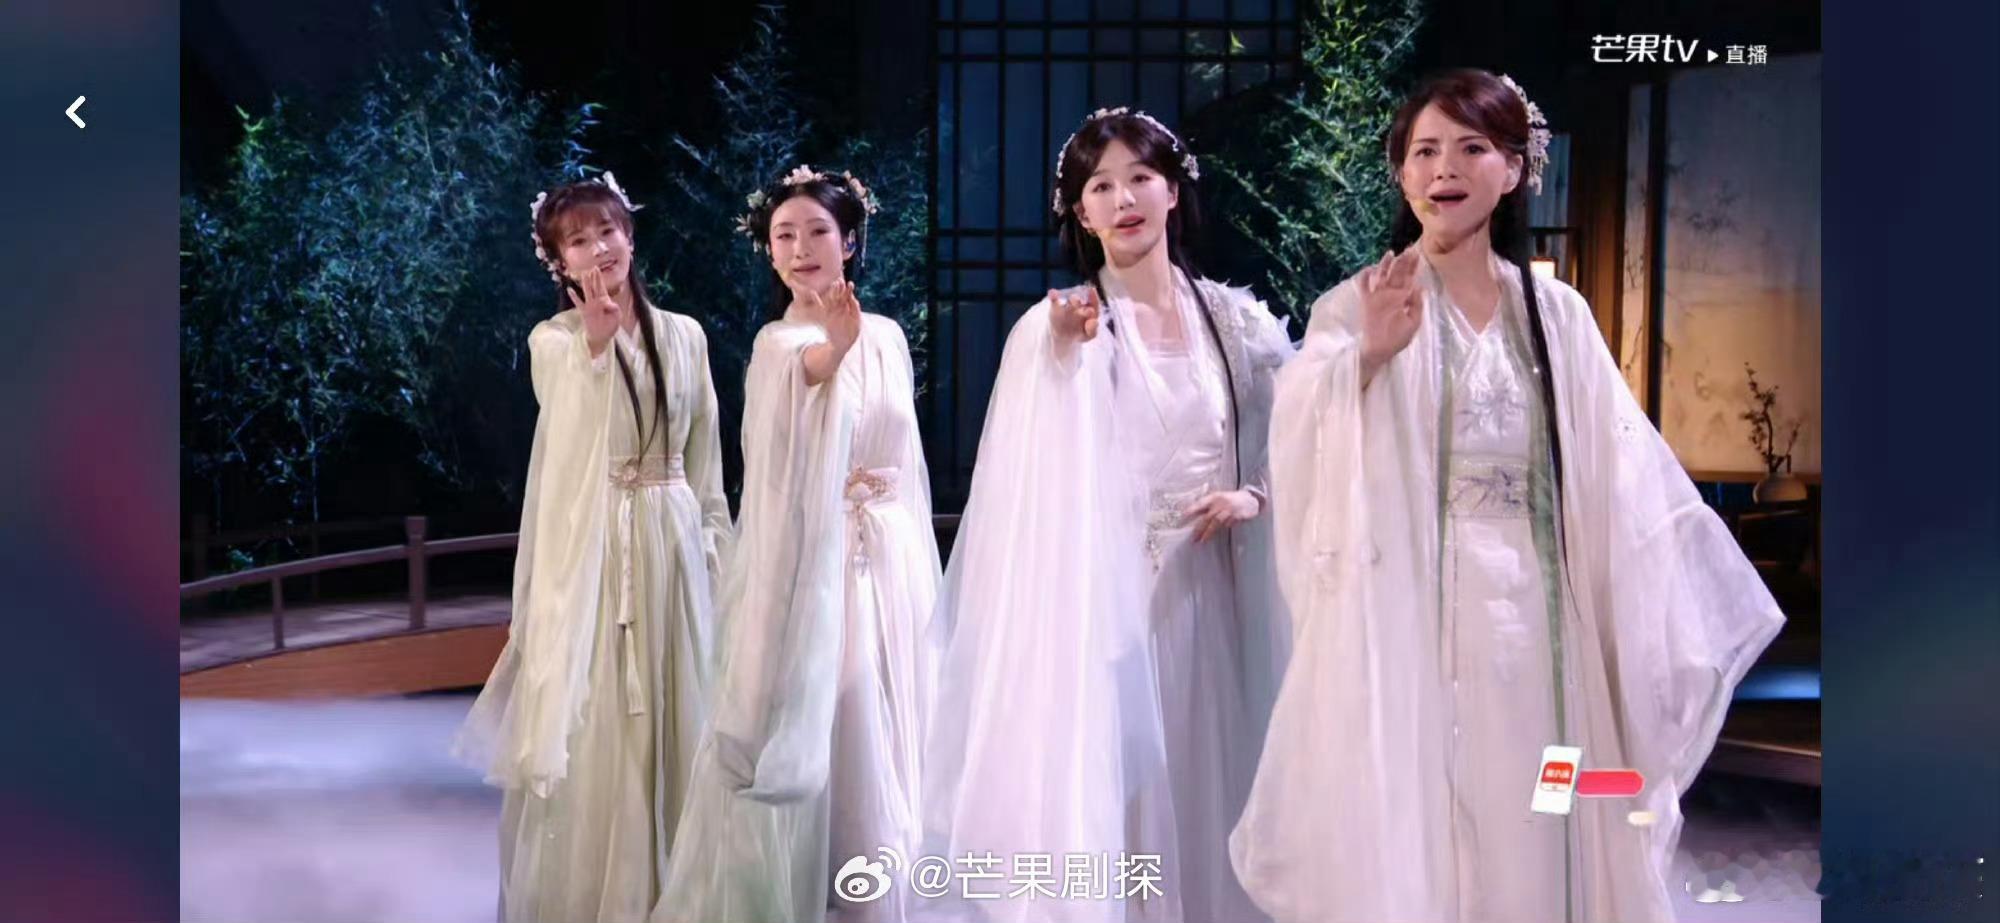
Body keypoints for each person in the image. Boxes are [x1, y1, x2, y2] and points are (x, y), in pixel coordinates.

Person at [1228, 70, 1785, 923]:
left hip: (1537, 614)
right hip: (1410, 610)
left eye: (1471, 148)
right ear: (1401, 172)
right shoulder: (1360, 302)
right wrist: (1365, 359)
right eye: (1423, 151)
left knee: (1539, 795)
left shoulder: (1556, 313)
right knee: (1427, 801)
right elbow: (1299, 434)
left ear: (1515, 169)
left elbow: (1620, 467)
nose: (1443, 169)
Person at [923, 108, 1292, 923]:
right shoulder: (1062, 321)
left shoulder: (1234, 320)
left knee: (1204, 785)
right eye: (1100, 186)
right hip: (1106, 607)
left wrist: (1254, 494)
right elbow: (1025, 474)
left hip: (1209, 594)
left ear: (1173, 192)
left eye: (1140, 178)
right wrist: (1062, 353)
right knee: (1113, 792)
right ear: (1078, 212)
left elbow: (1302, 435)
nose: (1123, 199)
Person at [656, 166, 940, 923]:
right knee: (839, 711)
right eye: (784, 235)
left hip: (892, 551)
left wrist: (917, 557)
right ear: (769, 251)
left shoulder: (887, 335)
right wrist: (834, 348)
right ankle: (833, 882)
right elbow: (806, 387)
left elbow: (907, 460)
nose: (801, 248)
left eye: (818, 231)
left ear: (850, 242)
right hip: (820, 561)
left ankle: (891, 877)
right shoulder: (779, 343)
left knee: (896, 710)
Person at [454, 173, 732, 923]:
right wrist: (598, 347)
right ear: (559, 262)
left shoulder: (685, 334)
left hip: (673, 542)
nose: (598, 249)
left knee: (683, 708)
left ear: (630, 235)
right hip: (599, 554)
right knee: (607, 714)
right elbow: (568, 441)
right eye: (577, 241)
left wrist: (715, 550)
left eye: (607, 231)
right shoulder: (554, 342)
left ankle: (682, 888)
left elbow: (705, 459)